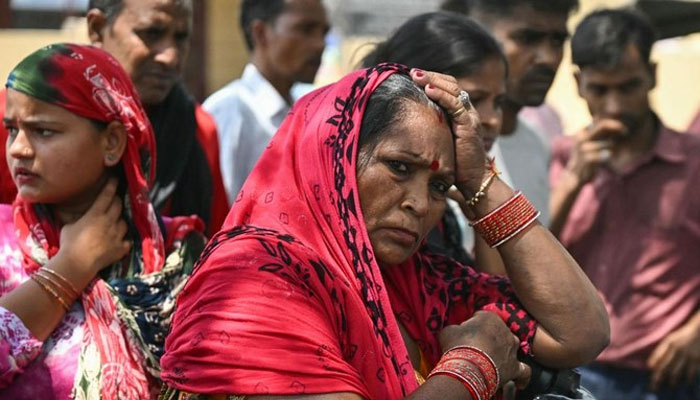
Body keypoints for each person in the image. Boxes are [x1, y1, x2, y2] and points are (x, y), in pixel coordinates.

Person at [158, 64, 609, 399]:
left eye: (438, 186)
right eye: (398, 167)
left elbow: (580, 331)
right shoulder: (252, 277)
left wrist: (480, 184)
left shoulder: (413, 280)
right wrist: (475, 364)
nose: (419, 203)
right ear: (332, 157)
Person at [0, 43, 206, 399]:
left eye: (43, 131)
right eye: (11, 129)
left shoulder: (179, 254)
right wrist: (68, 270)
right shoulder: (3, 241)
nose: (18, 148)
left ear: (111, 142)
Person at [549, 9, 700, 399]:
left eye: (628, 87)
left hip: (672, 377)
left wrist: (697, 331)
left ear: (652, 75)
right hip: (581, 373)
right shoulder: (562, 157)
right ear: (579, 83)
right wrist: (571, 185)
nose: (614, 107)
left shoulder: (693, 161)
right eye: (600, 90)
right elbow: (531, 264)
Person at [360, 12, 506, 268]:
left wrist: (482, 203)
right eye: (470, 100)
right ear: (419, 88)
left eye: (499, 103)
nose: (492, 119)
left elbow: (489, 294)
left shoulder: (443, 211)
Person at [86, 0, 228, 235]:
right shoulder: (26, 122)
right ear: (98, 28)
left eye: (181, 37)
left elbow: (217, 245)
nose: (170, 57)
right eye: (151, 33)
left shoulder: (200, 129)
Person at [441, 0, 579, 232]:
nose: (548, 58)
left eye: (557, 41)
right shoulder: (442, 146)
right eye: (528, 38)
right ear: (476, 39)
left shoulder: (536, 142)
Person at [203, 0, 330, 202]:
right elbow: (220, 213)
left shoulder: (310, 111)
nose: (319, 44)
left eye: (324, 33)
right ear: (261, 33)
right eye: (306, 30)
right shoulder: (230, 111)